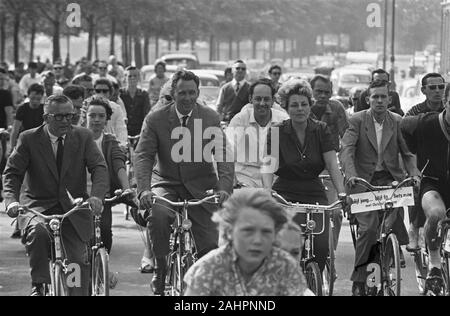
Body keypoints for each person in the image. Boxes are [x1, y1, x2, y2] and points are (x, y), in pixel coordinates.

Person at [135, 70, 234, 295]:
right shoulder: (155, 119)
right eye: (182, 93)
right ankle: (161, 269)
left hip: (201, 186)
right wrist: (144, 190)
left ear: (198, 93)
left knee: (209, 245)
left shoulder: (210, 117)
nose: (187, 98)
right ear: (173, 93)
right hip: (166, 183)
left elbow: (224, 155)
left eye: (192, 93)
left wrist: (224, 188)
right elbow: (143, 156)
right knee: (158, 217)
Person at [3, 95, 108, 296]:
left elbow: (99, 167)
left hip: (73, 209)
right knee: (39, 234)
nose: (66, 121)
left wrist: (96, 196)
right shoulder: (28, 138)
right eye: (59, 117)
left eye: (70, 116)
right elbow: (12, 173)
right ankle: (39, 285)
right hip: (38, 207)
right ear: (46, 117)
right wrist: (11, 201)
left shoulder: (83, 136)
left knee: (77, 260)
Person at [340, 80, 420, 296]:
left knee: (388, 227)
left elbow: (408, 153)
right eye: (375, 97)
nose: (380, 101)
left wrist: (413, 173)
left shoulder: (397, 121)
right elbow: (347, 150)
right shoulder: (356, 120)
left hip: (390, 181)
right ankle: (359, 278)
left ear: (390, 99)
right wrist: (351, 175)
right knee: (368, 229)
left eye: (384, 97)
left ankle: (384, 265)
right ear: (368, 99)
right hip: (363, 182)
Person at [261, 78, 346, 274]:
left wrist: (341, 193)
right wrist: (267, 190)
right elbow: (267, 165)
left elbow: (332, 163)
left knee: (322, 246)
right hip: (285, 192)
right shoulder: (276, 131)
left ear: (310, 105)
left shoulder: (321, 129)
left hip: (314, 191)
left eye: (304, 104)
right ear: (286, 108)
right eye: (294, 105)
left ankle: (314, 281)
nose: (300, 109)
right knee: (285, 245)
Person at [184, 188, 309, 296]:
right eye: (248, 231)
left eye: (266, 232)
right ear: (230, 232)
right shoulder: (207, 270)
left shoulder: (286, 267)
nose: (257, 240)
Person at [400, 83, 450, 289]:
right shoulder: (424, 123)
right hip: (432, 182)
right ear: (446, 102)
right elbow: (399, 127)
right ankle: (435, 264)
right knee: (437, 214)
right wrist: (411, 162)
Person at [403, 73, 446, 252]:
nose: (438, 91)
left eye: (441, 87)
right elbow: (404, 137)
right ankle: (414, 228)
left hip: (444, 162)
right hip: (420, 163)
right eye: (432, 87)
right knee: (415, 186)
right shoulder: (415, 113)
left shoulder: (447, 109)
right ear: (423, 90)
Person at [85, 97, 132, 254]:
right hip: (78, 196)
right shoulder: (74, 139)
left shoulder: (110, 141)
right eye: (92, 115)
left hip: (101, 197)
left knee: (104, 231)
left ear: (107, 119)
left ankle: (102, 271)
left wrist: (126, 188)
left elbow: (119, 164)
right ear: (85, 115)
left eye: (101, 116)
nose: (97, 120)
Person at [309, 74, 349, 249]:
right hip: (304, 170)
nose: (323, 96)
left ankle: (329, 254)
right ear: (311, 91)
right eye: (318, 91)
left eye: (327, 92)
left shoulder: (337, 108)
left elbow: (347, 139)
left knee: (336, 213)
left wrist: (347, 165)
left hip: (329, 168)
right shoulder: (301, 107)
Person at [226, 78, 289, 188]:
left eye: (266, 99)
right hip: (245, 178)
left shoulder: (283, 120)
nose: (262, 103)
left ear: (273, 100)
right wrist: (231, 178)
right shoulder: (240, 119)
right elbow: (227, 151)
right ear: (251, 99)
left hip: (276, 179)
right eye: (258, 99)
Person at [92, 78, 128, 147]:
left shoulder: (116, 108)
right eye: (98, 91)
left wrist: (121, 146)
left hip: (111, 146)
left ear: (110, 93)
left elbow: (121, 130)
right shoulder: (87, 107)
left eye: (105, 91)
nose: (101, 94)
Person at [10, 84, 45, 150]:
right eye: (33, 98)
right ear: (28, 96)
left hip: (40, 140)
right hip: (25, 139)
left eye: (38, 99)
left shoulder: (44, 109)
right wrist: (12, 148)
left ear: (42, 97)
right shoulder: (22, 108)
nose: (35, 101)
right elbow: (15, 129)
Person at [120, 66, 151, 137]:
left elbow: (147, 114)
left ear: (138, 78)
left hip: (140, 131)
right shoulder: (120, 94)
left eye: (135, 76)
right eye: (130, 76)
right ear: (125, 78)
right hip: (123, 130)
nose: (132, 78)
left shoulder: (144, 94)